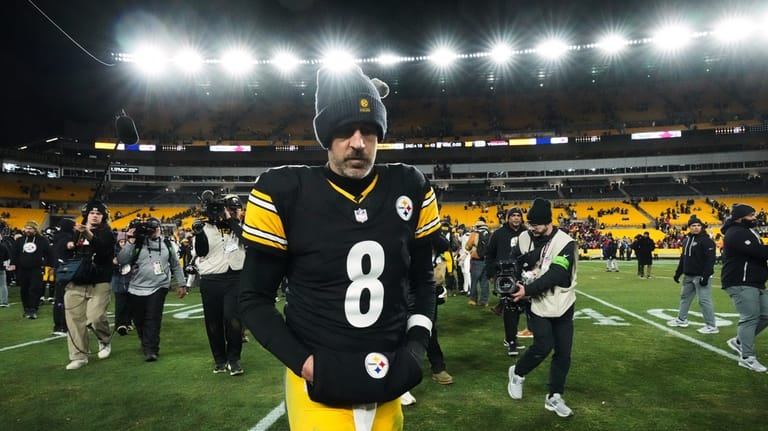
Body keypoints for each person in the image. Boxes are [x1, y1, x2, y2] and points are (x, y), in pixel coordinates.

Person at [239, 65, 440, 430]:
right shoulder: (284, 191)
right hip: (318, 378)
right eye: (346, 130)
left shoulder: (410, 185)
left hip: (390, 372)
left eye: (369, 131)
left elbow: (423, 282)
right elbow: (253, 299)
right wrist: (305, 362)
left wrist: (416, 347)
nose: (359, 143)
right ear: (326, 135)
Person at [506, 197, 578, 418]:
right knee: (543, 346)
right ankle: (518, 373)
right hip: (537, 303)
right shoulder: (524, 237)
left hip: (563, 302)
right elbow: (513, 263)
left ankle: (554, 396)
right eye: (530, 224)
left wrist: (527, 290)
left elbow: (557, 273)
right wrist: (513, 279)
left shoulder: (565, 242)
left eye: (536, 224)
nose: (532, 228)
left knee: (564, 353)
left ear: (548, 222)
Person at [191, 194, 246, 376]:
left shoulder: (242, 226)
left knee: (234, 319)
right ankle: (220, 360)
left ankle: (234, 359)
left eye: (234, 209)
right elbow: (201, 252)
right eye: (227, 209)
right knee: (213, 322)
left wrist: (231, 222)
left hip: (235, 278)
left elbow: (247, 241)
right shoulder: (204, 226)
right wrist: (198, 233)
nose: (231, 212)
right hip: (211, 279)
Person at [118, 216, 187, 362]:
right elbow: (122, 260)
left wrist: (182, 283)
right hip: (136, 288)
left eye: (157, 228)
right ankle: (146, 342)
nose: (156, 231)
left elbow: (175, 264)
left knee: (153, 318)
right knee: (139, 320)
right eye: (153, 229)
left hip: (159, 286)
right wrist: (131, 241)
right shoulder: (137, 243)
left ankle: (151, 349)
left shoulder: (167, 244)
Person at [63, 201, 116, 370]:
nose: (95, 215)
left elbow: (103, 251)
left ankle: (104, 340)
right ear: (86, 215)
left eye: (98, 213)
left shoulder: (108, 234)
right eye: (92, 213)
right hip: (76, 280)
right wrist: (68, 245)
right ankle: (78, 356)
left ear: (104, 216)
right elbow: (58, 250)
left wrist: (88, 234)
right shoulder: (75, 233)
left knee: (96, 317)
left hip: (99, 281)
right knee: (74, 320)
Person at [720, 204, 768, 372]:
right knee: (750, 317)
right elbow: (759, 252)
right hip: (740, 281)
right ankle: (747, 357)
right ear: (740, 217)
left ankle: (739, 341)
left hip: (755, 281)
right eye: (751, 215)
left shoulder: (746, 231)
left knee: (766, 314)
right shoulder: (736, 233)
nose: (755, 218)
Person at [485, 207, 529, 356]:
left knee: (519, 308)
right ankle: (511, 341)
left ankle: (510, 338)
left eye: (518, 215)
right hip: (504, 275)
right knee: (510, 307)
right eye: (513, 216)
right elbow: (489, 255)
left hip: (523, 275)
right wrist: (491, 274)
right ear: (508, 218)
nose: (516, 218)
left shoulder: (527, 233)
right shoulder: (498, 234)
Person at [668, 215, 718, 334]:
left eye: (698, 225)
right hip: (688, 275)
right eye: (693, 226)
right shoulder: (686, 240)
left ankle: (711, 326)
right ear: (689, 227)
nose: (696, 228)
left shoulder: (707, 241)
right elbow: (683, 258)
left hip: (701, 276)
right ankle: (681, 319)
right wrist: (678, 273)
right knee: (685, 298)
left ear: (701, 227)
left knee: (704, 300)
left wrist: (705, 276)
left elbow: (710, 260)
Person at [8, 220, 52, 319]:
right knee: (24, 289)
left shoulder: (42, 240)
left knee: (35, 289)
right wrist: (13, 264)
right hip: (22, 269)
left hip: (36, 269)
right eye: (26, 228)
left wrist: (49, 265)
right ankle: (26, 309)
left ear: (35, 229)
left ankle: (33, 309)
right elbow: (14, 253)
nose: (28, 230)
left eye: (30, 228)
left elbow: (49, 253)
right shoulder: (20, 240)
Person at [50, 218, 77, 335]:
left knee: (59, 299)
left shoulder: (56, 237)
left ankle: (58, 325)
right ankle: (63, 325)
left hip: (58, 269)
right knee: (65, 298)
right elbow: (70, 247)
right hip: (67, 270)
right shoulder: (68, 238)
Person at [466, 216, 491, 306]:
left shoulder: (474, 234)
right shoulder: (490, 234)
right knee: (484, 281)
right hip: (486, 260)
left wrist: (472, 248)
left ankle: (473, 299)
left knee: (474, 281)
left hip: (476, 260)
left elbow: (467, 246)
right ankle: (484, 301)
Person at [112, 231, 133, 336]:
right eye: (121, 242)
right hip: (118, 281)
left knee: (130, 303)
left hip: (130, 281)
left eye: (124, 241)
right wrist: (115, 264)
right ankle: (120, 324)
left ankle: (128, 322)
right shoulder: (114, 252)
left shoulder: (132, 252)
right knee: (120, 303)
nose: (123, 244)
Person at [0, 232, 9, 307]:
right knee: (2, 285)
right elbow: (7, 258)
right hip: (1, 268)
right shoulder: (3, 246)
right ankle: (4, 302)